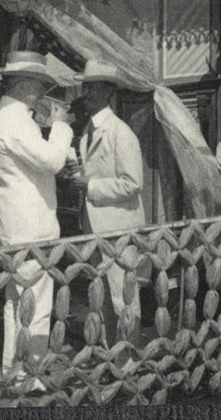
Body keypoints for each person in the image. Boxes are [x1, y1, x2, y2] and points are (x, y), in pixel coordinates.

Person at [0, 51, 73, 382]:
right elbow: (51, 161)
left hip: (12, 228)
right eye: (38, 86)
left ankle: (13, 372)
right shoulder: (15, 119)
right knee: (34, 309)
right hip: (31, 231)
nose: (42, 95)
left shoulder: (1, 117)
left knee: (15, 307)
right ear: (22, 85)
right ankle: (29, 377)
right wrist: (62, 127)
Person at [73, 60, 147, 329]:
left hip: (118, 228)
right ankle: (108, 355)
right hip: (95, 227)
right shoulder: (87, 131)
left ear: (109, 93)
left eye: (95, 88)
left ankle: (126, 361)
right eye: (85, 87)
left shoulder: (121, 133)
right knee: (100, 295)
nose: (88, 94)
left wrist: (90, 186)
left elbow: (132, 183)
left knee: (123, 296)